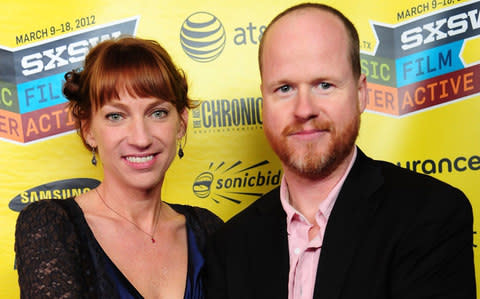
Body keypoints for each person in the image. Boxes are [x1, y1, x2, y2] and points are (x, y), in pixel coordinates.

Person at [205, 3, 475, 299]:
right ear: (264, 102)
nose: (304, 109)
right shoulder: (229, 247)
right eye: (284, 88)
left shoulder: (430, 215)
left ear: (361, 94)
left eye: (324, 84)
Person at [15, 36, 223, 298]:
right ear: (88, 129)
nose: (141, 138)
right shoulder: (52, 227)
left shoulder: (208, 229)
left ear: (181, 122)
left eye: (157, 113)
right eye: (116, 116)